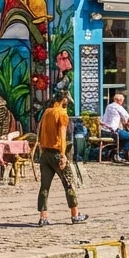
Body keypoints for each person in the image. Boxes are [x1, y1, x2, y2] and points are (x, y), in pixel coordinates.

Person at [38, 91, 85, 226]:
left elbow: (40, 132)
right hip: (57, 153)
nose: (67, 103)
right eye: (67, 100)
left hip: (45, 153)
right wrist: (63, 155)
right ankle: (75, 214)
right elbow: (62, 136)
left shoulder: (47, 112)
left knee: (44, 187)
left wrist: (42, 148)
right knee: (68, 183)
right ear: (63, 100)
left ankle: (43, 217)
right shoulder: (62, 114)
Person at [99, 92, 129, 161]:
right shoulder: (118, 107)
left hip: (104, 131)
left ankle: (120, 154)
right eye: (122, 101)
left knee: (125, 137)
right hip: (113, 132)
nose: (122, 103)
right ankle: (120, 155)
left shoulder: (109, 106)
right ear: (119, 101)